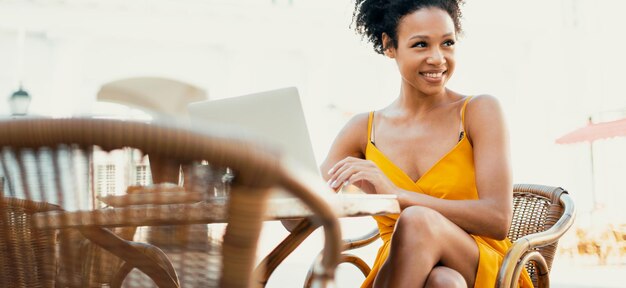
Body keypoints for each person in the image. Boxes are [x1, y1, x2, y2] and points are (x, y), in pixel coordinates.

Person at [321, 0, 533, 287]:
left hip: (482, 265)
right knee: (443, 282)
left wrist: (398, 196)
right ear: (389, 46)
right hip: (402, 266)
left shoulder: (478, 111)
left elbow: (497, 219)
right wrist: (262, 175)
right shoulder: (362, 129)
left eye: (447, 43)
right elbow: (301, 212)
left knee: (418, 220)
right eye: (421, 44)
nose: (438, 58)